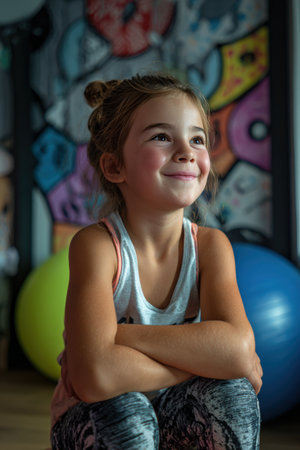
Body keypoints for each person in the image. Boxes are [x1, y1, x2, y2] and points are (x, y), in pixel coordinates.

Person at [50, 73, 262, 449]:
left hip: (175, 414)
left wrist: (120, 339)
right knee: (128, 412)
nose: (186, 151)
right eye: (162, 137)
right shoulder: (97, 247)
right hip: (100, 419)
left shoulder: (211, 246)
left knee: (234, 397)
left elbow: (238, 350)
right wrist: (204, 358)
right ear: (116, 167)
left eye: (198, 138)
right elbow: (96, 376)